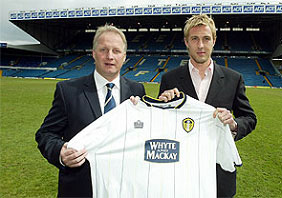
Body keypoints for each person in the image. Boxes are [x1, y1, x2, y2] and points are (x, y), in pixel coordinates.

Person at [35, 25, 146, 197]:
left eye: (116, 51)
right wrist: (60, 153)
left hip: (124, 188)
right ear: (94, 53)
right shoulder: (68, 90)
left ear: (124, 57)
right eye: (103, 50)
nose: (110, 56)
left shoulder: (137, 91)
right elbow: (46, 134)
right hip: (81, 188)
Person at [158, 14, 257, 197]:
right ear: (186, 42)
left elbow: (250, 118)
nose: (201, 45)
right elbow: (159, 127)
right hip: (179, 173)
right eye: (195, 39)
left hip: (218, 174)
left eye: (206, 38)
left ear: (214, 40)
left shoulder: (233, 78)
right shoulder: (169, 79)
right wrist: (161, 106)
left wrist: (233, 125)